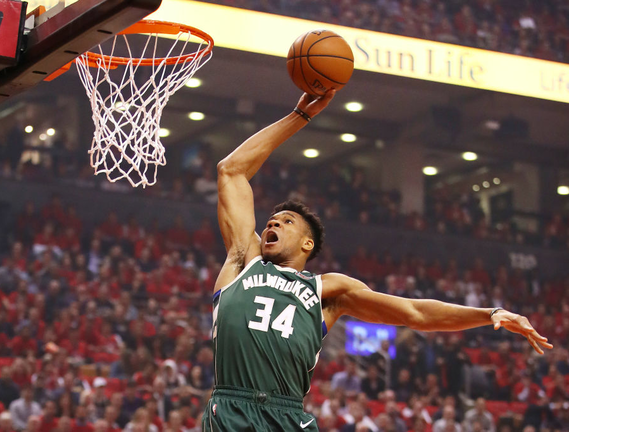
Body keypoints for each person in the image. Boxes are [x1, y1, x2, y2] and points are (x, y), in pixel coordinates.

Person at [202, 90, 552, 431]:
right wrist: (300, 116)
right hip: (233, 409)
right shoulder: (243, 259)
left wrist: (488, 314)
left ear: (308, 243)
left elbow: (414, 313)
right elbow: (231, 171)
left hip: (289, 416)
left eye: (286, 221)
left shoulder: (328, 290)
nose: (273, 222)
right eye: (271, 221)